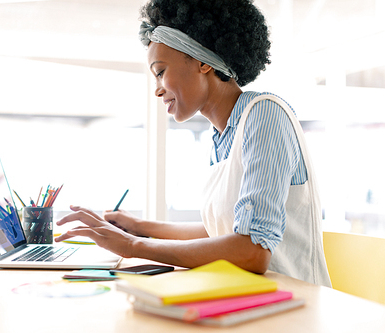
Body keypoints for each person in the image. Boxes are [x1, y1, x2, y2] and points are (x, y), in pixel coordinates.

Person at [55, 0, 331, 287]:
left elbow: (252, 251)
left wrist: (132, 246)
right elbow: (220, 233)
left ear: (201, 61)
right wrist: (139, 228)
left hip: (294, 307)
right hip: (249, 297)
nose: (157, 89)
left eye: (160, 72)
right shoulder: (223, 136)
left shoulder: (265, 115)